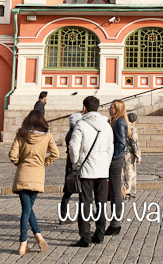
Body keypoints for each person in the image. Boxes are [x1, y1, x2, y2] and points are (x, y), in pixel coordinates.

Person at [9, 109, 59, 255]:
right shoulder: (47, 135)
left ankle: (26, 242)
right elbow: (56, 154)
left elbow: (12, 154)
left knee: (26, 208)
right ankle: (33, 238)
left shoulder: (21, 133)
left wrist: (20, 163)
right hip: (38, 175)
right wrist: (45, 162)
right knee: (28, 208)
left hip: (22, 174)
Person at [70, 96, 114, 248]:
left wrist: (76, 163)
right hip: (102, 170)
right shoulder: (106, 125)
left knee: (85, 204)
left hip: (86, 170)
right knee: (101, 204)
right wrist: (105, 164)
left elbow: (73, 147)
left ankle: (85, 237)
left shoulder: (81, 124)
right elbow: (110, 148)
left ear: (84, 108)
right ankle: (100, 235)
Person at [106, 100, 129, 236]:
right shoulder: (116, 121)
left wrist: (112, 157)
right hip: (115, 159)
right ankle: (114, 222)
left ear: (118, 109)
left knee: (115, 191)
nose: (109, 109)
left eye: (112, 107)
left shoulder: (119, 122)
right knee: (113, 191)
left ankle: (116, 223)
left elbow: (121, 143)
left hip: (116, 159)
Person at [59, 113, 82, 224]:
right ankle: (64, 216)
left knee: (70, 191)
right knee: (75, 190)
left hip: (70, 162)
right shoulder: (75, 133)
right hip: (74, 163)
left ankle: (64, 215)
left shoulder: (70, 132)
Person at [124, 112, 141, 199]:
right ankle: (127, 192)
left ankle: (123, 191)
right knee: (129, 173)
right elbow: (134, 143)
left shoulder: (122, 127)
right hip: (129, 155)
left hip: (120, 153)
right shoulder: (132, 129)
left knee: (122, 174)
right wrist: (138, 156)